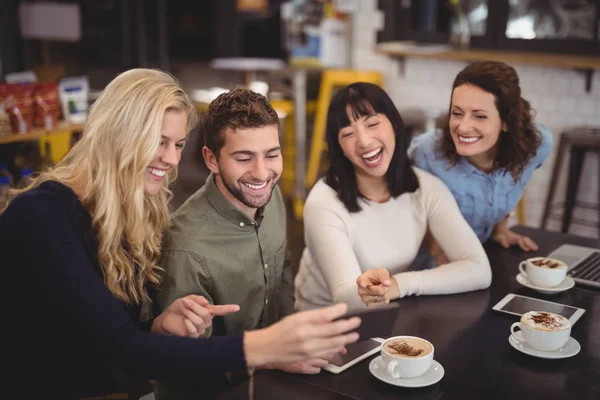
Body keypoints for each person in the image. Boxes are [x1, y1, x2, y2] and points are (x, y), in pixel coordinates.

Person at [0, 69, 361, 399]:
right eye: (159, 141)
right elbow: (122, 349)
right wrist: (266, 347)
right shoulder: (40, 218)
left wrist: (158, 325)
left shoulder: (126, 211)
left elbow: (100, 331)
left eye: (176, 144)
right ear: (116, 134)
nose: (172, 160)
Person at [154, 87, 325, 398]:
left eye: (272, 155)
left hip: (276, 378)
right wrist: (271, 358)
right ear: (212, 159)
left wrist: (294, 343)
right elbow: (185, 367)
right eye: (244, 158)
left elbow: (283, 269)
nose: (262, 173)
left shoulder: (269, 199)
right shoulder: (187, 248)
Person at [294, 82, 492, 311]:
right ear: (339, 148)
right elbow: (347, 298)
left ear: (394, 125)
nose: (365, 142)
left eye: (373, 124)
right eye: (348, 134)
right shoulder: (324, 202)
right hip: (324, 328)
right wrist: (388, 290)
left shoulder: (425, 188)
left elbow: (479, 269)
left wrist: (400, 284)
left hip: (390, 315)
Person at [409, 61, 553, 264]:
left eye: (480, 116)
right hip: (428, 264)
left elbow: (509, 185)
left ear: (506, 122)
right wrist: (437, 250)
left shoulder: (536, 146)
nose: (463, 127)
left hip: (480, 255)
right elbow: (403, 209)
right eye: (457, 113)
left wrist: (500, 229)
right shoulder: (427, 151)